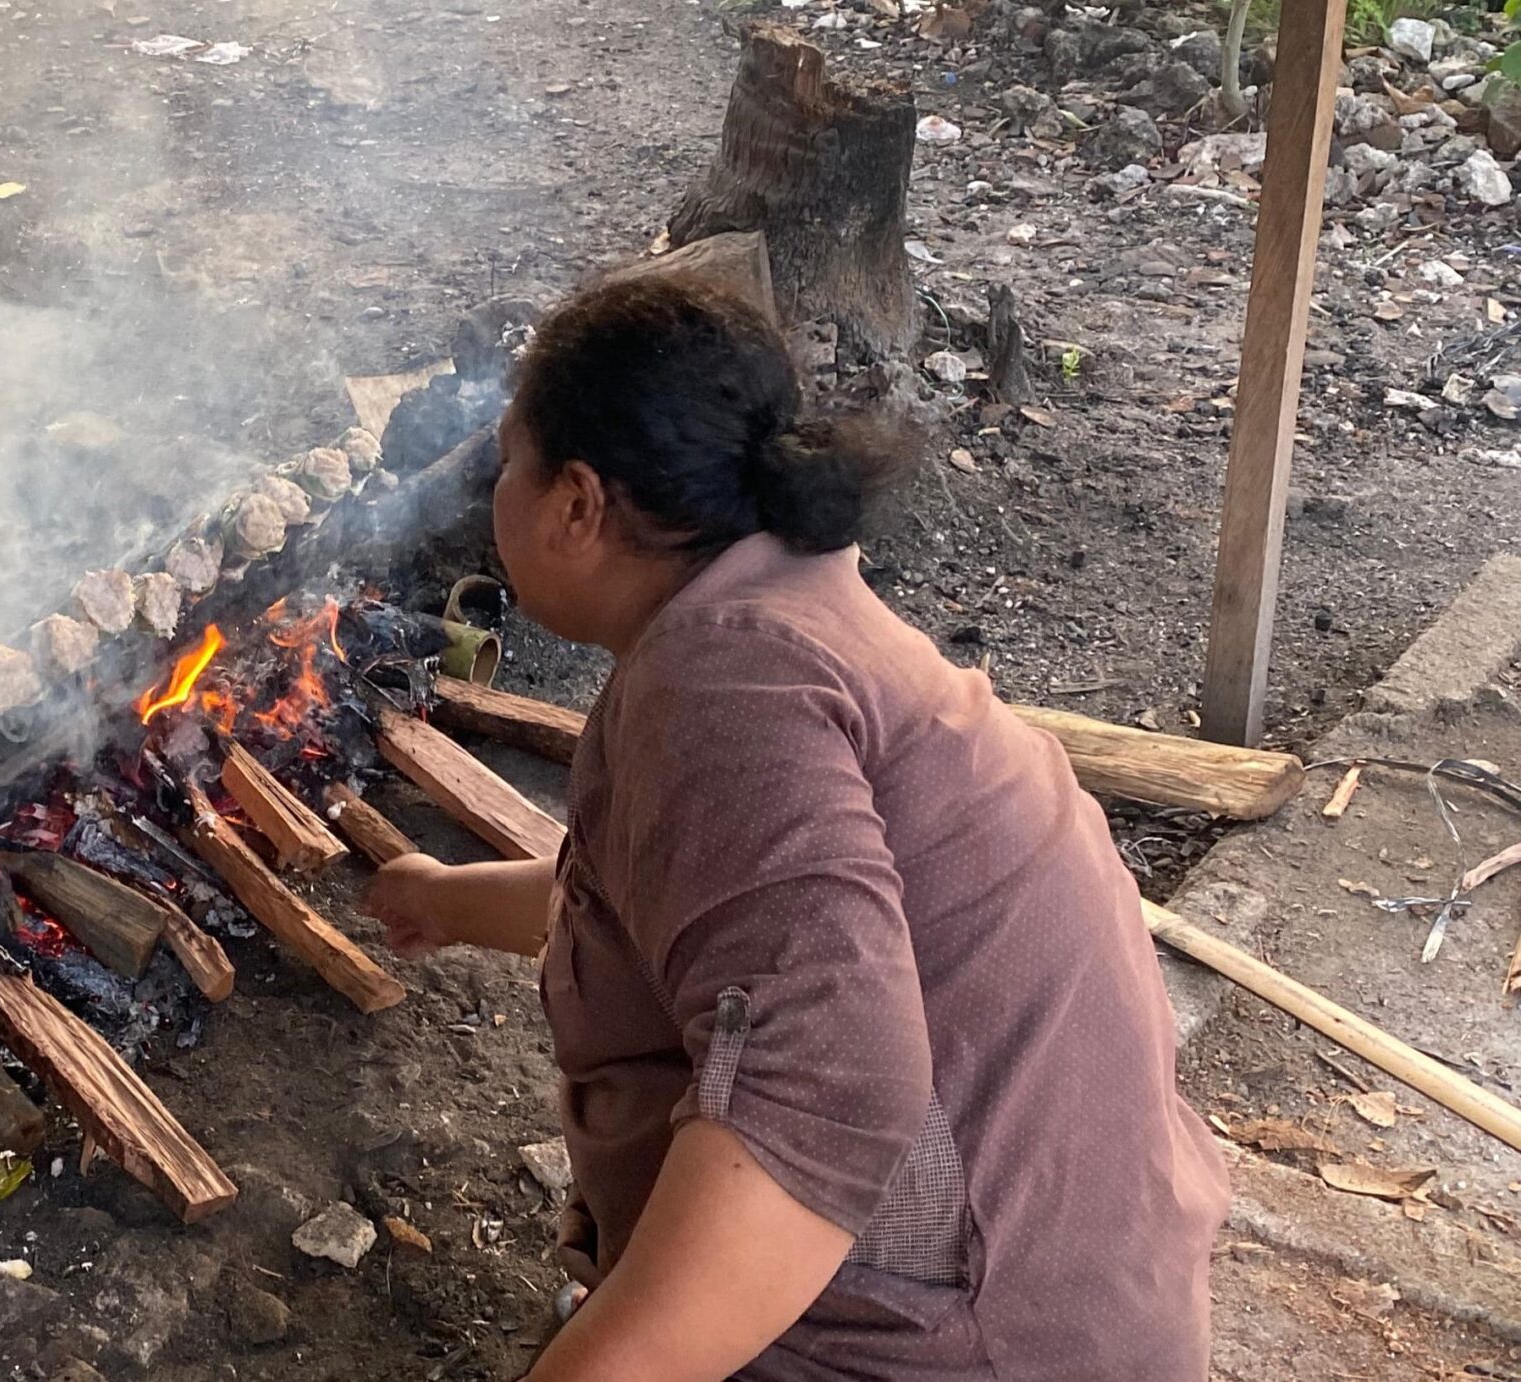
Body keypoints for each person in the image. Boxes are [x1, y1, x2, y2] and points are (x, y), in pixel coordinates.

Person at [361, 274, 1228, 1380]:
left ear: (576, 505)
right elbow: (700, 907)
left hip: (966, 1338)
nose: (494, 500)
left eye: (506, 466)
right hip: (1074, 1271)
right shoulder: (782, 613)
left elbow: (828, 1092)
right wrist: (443, 898)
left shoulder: (726, 686)